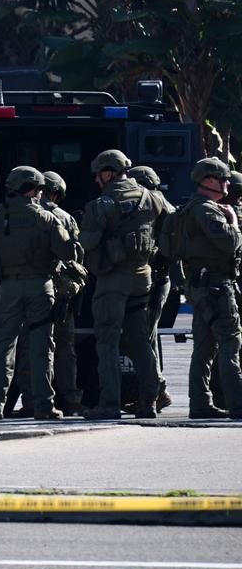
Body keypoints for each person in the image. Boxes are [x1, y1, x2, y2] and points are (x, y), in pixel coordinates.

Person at [0, 166, 75, 420]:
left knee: (3, 348)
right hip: (41, 286)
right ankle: (43, 406)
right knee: (41, 349)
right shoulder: (47, 219)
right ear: (34, 189)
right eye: (39, 189)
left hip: (7, 288)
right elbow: (68, 253)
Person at [80, 150, 163, 420]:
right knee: (140, 342)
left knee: (107, 342)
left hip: (112, 281)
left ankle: (109, 403)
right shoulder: (150, 196)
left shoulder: (101, 204)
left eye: (98, 174)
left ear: (108, 172)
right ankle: (149, 402)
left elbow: (87, 243)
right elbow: (173, 223)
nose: (96, 180)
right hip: (143, 277)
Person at [176, 158, 242, 419]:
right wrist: (234, 222)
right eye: (223, 179)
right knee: (230, 342)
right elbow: (229, 244)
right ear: (210, 180)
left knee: (204, 347)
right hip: (216, 285)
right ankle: (238, 404)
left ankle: (200, 403)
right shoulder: (208, 210)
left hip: (202, 285)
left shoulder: (192, 208)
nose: (227, 184)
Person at [127, 165, 176, 413]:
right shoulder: (166, 205)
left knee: (143, 338)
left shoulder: (152, 205)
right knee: (148, 336)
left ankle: (158, 390)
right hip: (160, 278)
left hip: (152, 278)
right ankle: (157, 390)